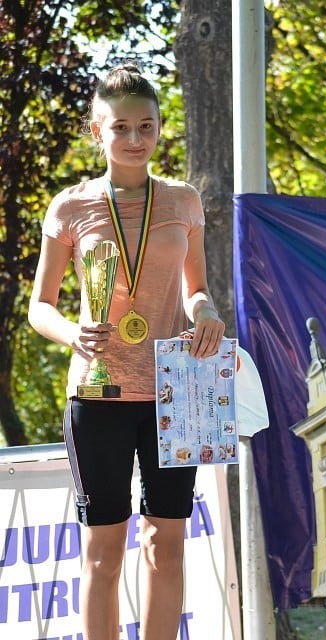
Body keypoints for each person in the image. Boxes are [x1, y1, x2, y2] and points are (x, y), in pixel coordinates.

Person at [28, 63, 225, 639]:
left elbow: (197, 289)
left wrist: (207, 313)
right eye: (121, 128)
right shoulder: (70, 208)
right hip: (99, 391)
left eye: (147, 126)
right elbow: (39, 306)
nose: (135, 140)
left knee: (167, 544)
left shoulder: (184, 202)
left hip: (174, 392)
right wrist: (71, 333)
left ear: (161, 129)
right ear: (98, 132)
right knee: (103, 549)